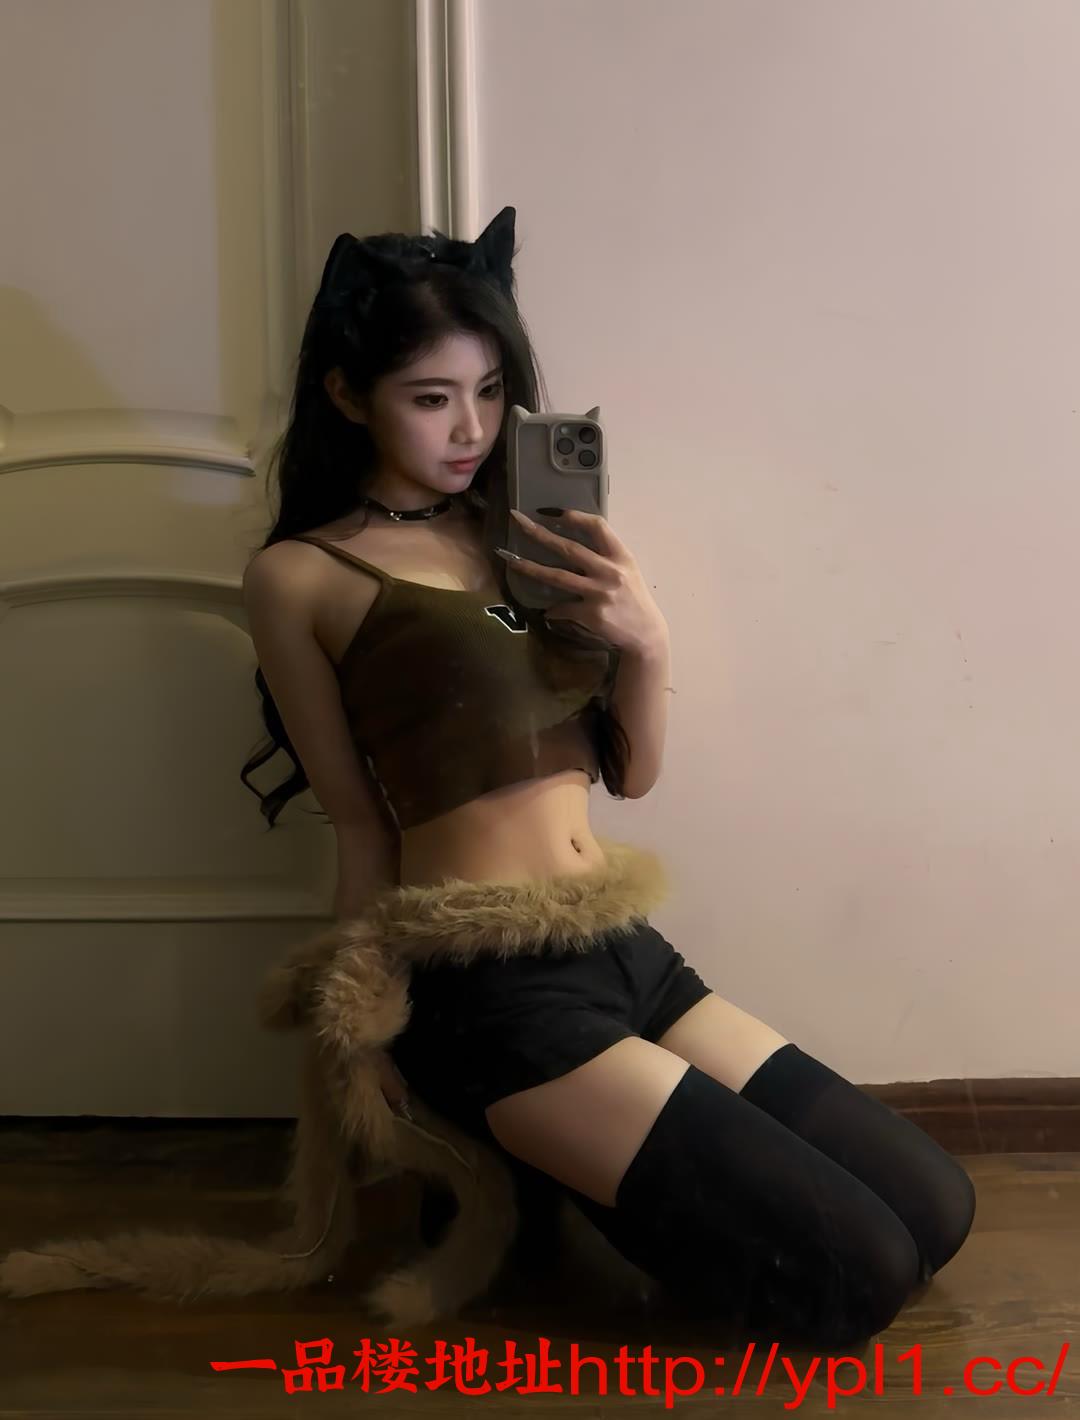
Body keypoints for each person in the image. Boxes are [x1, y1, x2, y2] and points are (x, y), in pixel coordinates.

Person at [0, 208, 975, 1347]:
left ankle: (579, 1164)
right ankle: (543, 1137)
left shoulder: (530, 534)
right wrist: (361, 1040)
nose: (471, 429)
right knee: (859, 1273)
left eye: (490, 390)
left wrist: (645, 640)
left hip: (623, 949)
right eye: (431, 397)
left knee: (936, 1209)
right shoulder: (301, 576)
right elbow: (360, 825)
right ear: (347, 395)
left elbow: (631, 778)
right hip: (489, 992)